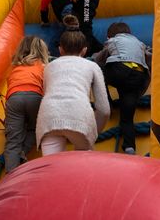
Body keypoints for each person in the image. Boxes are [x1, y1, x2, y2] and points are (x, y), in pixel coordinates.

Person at [36, 23, 109, 155]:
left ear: (60, 50)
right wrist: (94, 131)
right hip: (79, 116)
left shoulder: (49, 67)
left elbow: (46, 92)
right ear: (84, 50)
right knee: (82, 162)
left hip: (48, 117)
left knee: (51, 164)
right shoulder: (92, 66)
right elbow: (104, 110)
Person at [92, 22, 152, 155]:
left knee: (97, 70)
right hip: (137, 78)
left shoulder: (113, 40)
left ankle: (107, 103)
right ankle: (130, 147)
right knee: (127, 118)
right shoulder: (140, 43)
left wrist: (92, 59)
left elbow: (99, 58)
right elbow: (149, 58)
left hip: (120, 71)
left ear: (109, 36)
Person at [4, 35, 49, 172]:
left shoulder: (15, 67)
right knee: (36, 129)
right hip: (35, 96)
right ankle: (22, 152)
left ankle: (10, 175)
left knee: (13, 141)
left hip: (14, 98)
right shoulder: (43, 66)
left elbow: (10, 84)